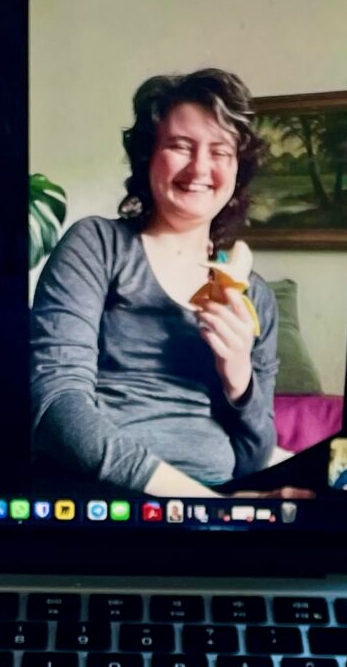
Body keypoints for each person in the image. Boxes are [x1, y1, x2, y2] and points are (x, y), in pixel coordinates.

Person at [29, 69, 279, 497]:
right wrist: (194, 502)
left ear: (238, 168)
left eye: (220, 151)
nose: (200, 167)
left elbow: (254, 457)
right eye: (180, 146)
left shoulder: (256, 296)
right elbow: (56, 404)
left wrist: (240, 379)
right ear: (148, 156)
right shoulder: (98, 245)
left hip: (214, 497)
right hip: (105, 500)